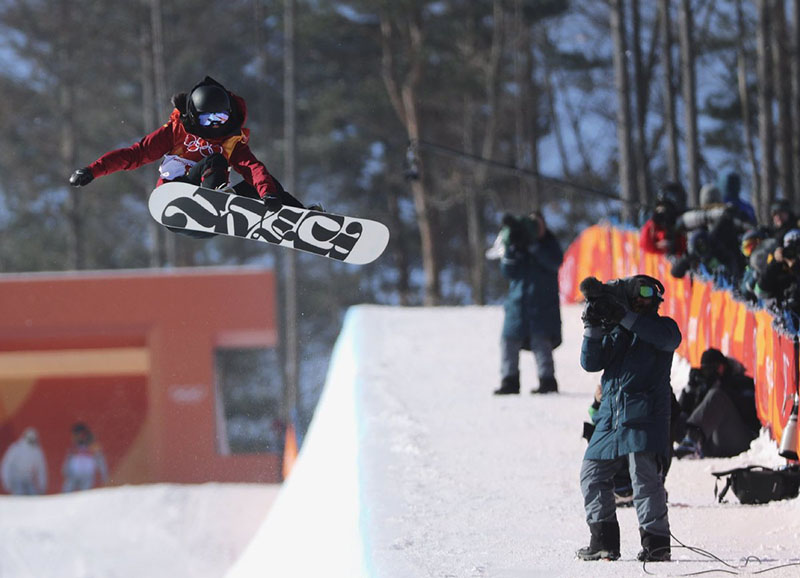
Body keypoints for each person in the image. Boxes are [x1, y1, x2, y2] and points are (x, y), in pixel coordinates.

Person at [68, 76, 307, 219]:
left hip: (211, 194)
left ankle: (303, 216)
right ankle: (214, 197)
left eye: (220, 119)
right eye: (208, 120)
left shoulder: (231, 139)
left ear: (229, 116)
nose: (215, 127)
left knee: (266, 183)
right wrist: (93, 170)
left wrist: (268, 194)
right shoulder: (175, 132)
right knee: (216, 160)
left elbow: (253, 168)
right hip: (176, 192)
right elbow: (135, 155)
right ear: (194, 117)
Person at [577, 274, 681, 562]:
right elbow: (590, 362)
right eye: (636, 295)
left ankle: (656, 544)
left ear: (657, 300)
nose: (642, 300)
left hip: (645, 416)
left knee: (645, 480)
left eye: (647, 294)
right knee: (591, 474)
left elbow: (668, 339)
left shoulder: (663, 328)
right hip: (611, 418)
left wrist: (623, 316)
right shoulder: (618, 334)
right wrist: (592, 325)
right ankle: (603, 541)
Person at [493, 211, 563, 395]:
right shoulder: (517, 246)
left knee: (542, 343)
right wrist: (513, 249)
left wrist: (534, 247)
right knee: (508, 341)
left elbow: (555, 262)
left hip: (542, 305)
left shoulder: (549, 244)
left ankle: (547, 381)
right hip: (517, 305)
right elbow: (508, 271)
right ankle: (509, 381)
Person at [675, 348, 760, 459]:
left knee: (717, 396)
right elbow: (686, 414)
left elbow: (749, 410)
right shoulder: (706, 384)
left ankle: (692, 440)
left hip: (739, 440)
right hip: (710, 442)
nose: (708, 374)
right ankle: (659, 449)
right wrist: (690, 391)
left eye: (710, 369)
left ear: (721, 367)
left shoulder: (741, 381)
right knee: (671, 411)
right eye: (704, 370)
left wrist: (721, 387)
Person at [62, 423, 109, 492]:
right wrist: (65, 470)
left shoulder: (93, 446)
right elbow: (69, 459)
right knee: (67, 491)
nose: (73, 437)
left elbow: (100, 461)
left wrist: (104, 476)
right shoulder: (74, 447)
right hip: (74, 475)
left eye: (75, 435)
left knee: (85, 494)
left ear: (81, 434)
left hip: (87, 476)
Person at [1, 428, 48, 495]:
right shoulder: (16, 448)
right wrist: (6, 482)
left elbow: (41, 470)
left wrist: (42, 486)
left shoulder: (37, 452)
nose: (31, 441)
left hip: (29, 480)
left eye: (33, 439)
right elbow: (6, 466)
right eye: (30, 439)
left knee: (33, 499)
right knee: (19, 499)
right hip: (16, 480)